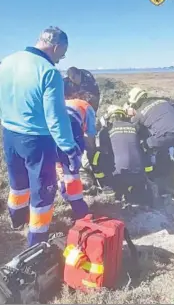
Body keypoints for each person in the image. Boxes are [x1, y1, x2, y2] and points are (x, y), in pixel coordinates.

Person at [0, 26, 81, 247]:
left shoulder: (7, 61)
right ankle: (36, 241)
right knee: (43, 192)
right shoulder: (49, 71)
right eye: (62, 54)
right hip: (37, 139)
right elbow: (56, 117)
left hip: (9, 134)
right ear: (56, 47)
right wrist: (69, 148)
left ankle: (17, 220)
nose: (61, 58)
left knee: (18, 184)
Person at [126, 87, 174, 205]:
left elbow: (133, 132)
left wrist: (131, 116)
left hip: (163, 137)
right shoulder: (164, 101)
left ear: (135, 103)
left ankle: (153, 180)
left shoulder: (140, 113)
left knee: (145, 147)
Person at [97, 105, 154, 207]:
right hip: (139, 175)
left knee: (98, 156)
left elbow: (105, 152)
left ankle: (109, 189)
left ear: (108, 117)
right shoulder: (134, 127)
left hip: (119, 176)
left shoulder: (105, 131)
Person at [56, 85, 98, 220]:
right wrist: (92, 153)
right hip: (71, 127)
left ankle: (63, 192)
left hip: (52, 127)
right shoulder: (87, 107)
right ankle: (79, 210)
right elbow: (90, 135)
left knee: (59, 163)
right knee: (72, 169)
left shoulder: (67, 102)